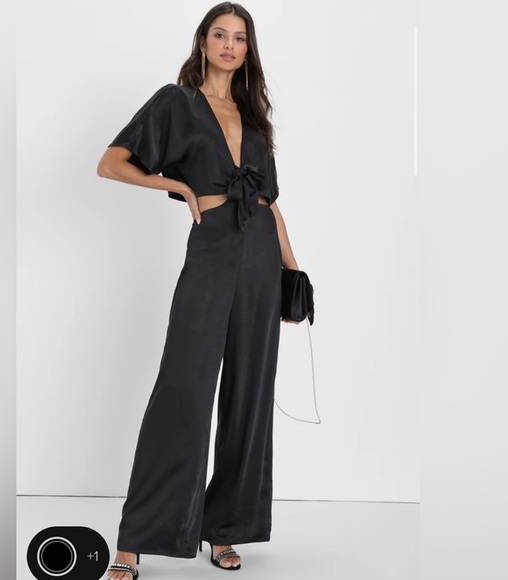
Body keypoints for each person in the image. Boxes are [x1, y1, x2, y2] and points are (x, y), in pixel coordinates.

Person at [97, 3, 300, 579]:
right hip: (211, 250)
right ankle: (136, 539)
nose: (230, 45)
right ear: (204, 41)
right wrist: (178, 185)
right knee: (183, 391)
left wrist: (293, 273)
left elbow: (269, 203)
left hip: (260, 257)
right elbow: (110, 164)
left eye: (241, 37)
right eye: (220, 34)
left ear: (248, 48)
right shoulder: (176, 102)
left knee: (249, 395)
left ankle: (225, 528)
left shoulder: (255, 116)